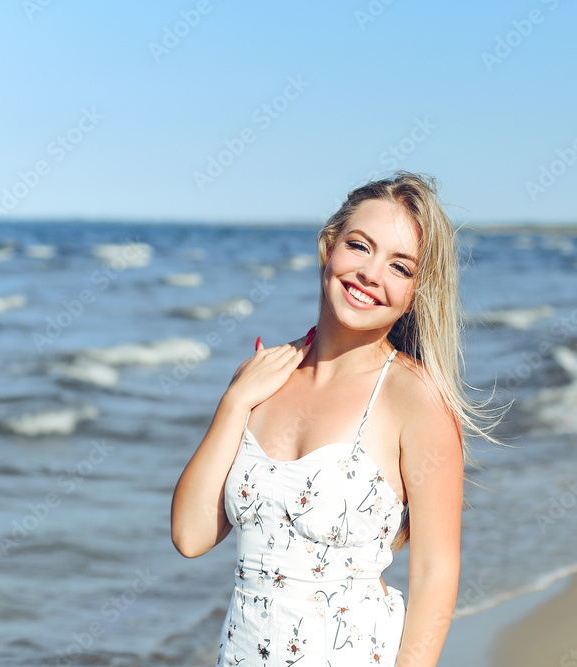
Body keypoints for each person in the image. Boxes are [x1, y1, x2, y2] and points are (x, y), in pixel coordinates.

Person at [171, 171, 504, 666]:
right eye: (360, 246)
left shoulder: (416, 401)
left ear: (416, 293)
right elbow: (192, 535)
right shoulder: (263, 377)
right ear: (329, 247)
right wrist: (235, 403)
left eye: (401, 267)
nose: (371, 274)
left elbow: (436, 572)